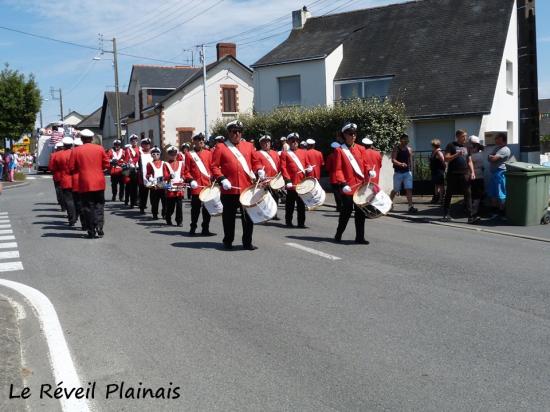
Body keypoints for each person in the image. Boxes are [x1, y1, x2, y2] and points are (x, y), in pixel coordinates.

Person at [211, 120, 261, 250]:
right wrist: (222, 179)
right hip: (229, 189)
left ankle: (247, 242)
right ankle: (228, 241)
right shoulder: (221, 147)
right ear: (229, 133)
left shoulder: (249, 146)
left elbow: (255, 162)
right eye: (234, 131)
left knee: (248, 218)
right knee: (228, 218)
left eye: (239, 131)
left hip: (246, 189)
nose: (237, 134)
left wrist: (259, 169)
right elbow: (214, 166)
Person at [333, 122, 372, 244]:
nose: (353, 136)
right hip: (348, 188)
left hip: (360, 187)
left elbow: (366, 164)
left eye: (355, 133)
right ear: (345, 135)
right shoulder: (340, 151)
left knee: (360, 213)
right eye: (351, 133)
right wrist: (343, 183)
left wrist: (370, 171)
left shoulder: (361, 148)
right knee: (346, 212)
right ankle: (338, 234)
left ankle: (360, 237)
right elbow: (338, 169)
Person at [69, 129, 110, 238]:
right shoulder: (100, 149)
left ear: (82, 139)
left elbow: (71, 167)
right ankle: (99, 226)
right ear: (92, 139)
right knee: (99, 205)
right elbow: (107, 165)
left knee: (87, 207)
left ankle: (91, 230)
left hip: (85, 182)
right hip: (99, 181)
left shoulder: (76, 151)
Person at [442, 129, 477, 223]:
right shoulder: (451, 145)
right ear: (457, 136)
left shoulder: (467, 147)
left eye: (466, 136)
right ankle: (446, 214)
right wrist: (457, 154)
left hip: (465, 173)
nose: (465, 138)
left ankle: (471, 217)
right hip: (453, 173)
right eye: (463, 136)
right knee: (449, 193)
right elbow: (446, 158)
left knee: (468, 194)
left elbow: (469, 160)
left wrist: (472, 172)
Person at [280, 132, 313, 228]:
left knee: (301, 205)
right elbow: (283, 168)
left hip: (302, 183)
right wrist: (287, 180)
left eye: (296, 141)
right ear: (289, 142)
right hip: (291, 183)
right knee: (290, 205)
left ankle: (301, 222)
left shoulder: (304, 152)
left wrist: (309, 168)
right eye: (292, 141)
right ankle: (288, 221)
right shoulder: (285, 153)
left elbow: (307, 164)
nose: (294, 142)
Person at [185, 133, 215, 235]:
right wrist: (190, 180)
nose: (201, 141)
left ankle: (205, 228)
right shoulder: (189, 154)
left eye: (202, 139)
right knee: (195, 209)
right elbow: (186, 171)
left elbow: (212, 168)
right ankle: (193, 227)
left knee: (207, 209)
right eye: (199, 139)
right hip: (196, 186)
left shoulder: (209, 153)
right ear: (194, 141)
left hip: (207, 185)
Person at [254, 134, 281, 220]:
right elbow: (255, 164)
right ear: (261, 144)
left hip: (274, 179)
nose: (266, 144)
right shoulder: (257, 153)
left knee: (275, 197)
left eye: (268, 142)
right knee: (265, 198)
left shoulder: (275, 153)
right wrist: (259, 170)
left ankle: (274, 213)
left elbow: (279, 165)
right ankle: (265, 213)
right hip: (263, 179)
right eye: (264, 142)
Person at [51, 136, 77, 225]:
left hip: (65, 179)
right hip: (76, 179)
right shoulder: (76, 152)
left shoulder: (58, 155)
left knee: (69, 200)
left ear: (63, 145)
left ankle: (71, 218)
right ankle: (77, 216)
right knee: (77, 199)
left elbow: (52, 167)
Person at [389, 134, 417, 213]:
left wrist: (412, 169)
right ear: (401, 140)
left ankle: (410, 206)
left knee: (408, 189)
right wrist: (400, 164)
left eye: (407, 139)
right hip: (398, 172)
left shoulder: (409, 149)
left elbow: (410, 160)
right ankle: (389, 203)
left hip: (407, 172)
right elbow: (393, 160)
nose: (406, 141)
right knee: (396, 189)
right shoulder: (396, 149)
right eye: (404, 139)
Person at [488, 132, 511, 219]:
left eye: (497, 138)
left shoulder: (505, 149)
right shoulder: (497, 148)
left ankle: (502, 212)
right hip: (494, 173)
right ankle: (494, 212)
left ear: (502, 139)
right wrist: (491, 157)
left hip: (500, 173)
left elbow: (493, 158)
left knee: (501, 194)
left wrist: (491, 157)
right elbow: (488, 158)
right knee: (493, 193)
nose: (495, 140)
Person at [163, 146, 185, 226]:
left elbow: (183, 174)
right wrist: (169, 176)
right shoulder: (166, 164)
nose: (173, 155)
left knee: (179, 206)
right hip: (170, 187)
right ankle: (168, 218)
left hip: (179, 187)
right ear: (168, 155)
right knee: (170, 206)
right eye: (171, 154)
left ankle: (179, 221)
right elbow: (164, 176)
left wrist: (183, 178)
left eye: (174, 154)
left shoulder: (181, 163)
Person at [145, 146, 166, 220]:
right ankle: (154, 214)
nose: (155, 155)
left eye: (157, 154)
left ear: (160, 154)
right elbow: (148, 174)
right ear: (151, 155)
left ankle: (164, 214)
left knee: (164, 201)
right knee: (154, 201)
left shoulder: (164, 163)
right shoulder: (149, 163)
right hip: (154, 184)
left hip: (162, 183)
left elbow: (166, 173)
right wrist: (150, 178)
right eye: (153, 154)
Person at [71, 137, 86, 230]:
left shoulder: (74, 152)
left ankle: (83, 223)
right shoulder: (86, 151)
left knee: (78, 203)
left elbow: (71, 167)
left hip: (77, 181)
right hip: (87, 181)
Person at [469, 135, 485, 219]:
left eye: (473, 146)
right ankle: (474, 211)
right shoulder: (481, 154)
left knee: (475, 194)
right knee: (477, 195)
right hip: (477, 176)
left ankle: (474, 210)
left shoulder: (473, 155)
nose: (472, 147)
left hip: (476, 176)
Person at [325, 142, 343, 212]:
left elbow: (328, 167)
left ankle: (339, 207)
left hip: (334, 177)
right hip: (342, 177)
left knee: (336, 193)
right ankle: (343, 206)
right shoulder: (342, 155)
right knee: (342, 192)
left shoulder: (331, 156)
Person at [123, 134, 140, 208]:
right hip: (131, 170)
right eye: (132, 141)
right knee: (131, 187)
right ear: (130, 141)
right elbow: (126, 162)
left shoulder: (140, 149)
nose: (134, 142)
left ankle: (137, 201)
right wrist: (125, 175)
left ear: (137, 141)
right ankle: (132, 202)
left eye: (135, 140)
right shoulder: (128, 150)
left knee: (138, 187)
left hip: (139, 170)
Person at [138, 138, 153, 214]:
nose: (146, 146)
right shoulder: (139, 153)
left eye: (148, 144)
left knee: (153, 195)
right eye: (145, 144)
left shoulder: (153, 153)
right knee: (143, 194)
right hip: (142, 177)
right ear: (142, 145)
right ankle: (142, 207)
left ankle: (154, 209)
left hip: (152, 177)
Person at [49, 142, 66, 211]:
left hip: (57, 175)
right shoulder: (69, 152)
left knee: (59, 190)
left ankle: (61, 203)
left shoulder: (53, 155)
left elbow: (50, 167)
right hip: (67, 175)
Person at [429, 139, 446, 204]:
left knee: (441, 185)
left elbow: (443, 160)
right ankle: (436, 198)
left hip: (439, 170)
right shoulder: (434, 151)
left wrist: (445, 168)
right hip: (435, 170)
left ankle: (441, 199)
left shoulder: (438, 152)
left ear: (434, 145)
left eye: (432, 145)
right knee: (436, 185)